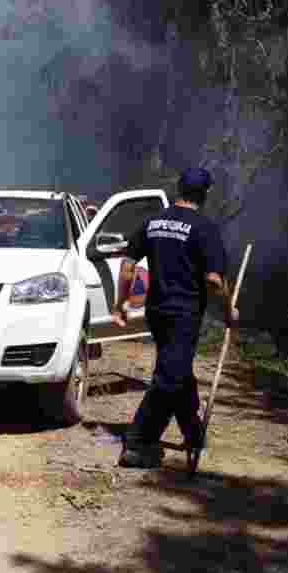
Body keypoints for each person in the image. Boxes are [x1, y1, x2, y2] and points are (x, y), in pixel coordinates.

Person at [111, 167, 238, 469]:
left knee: (176, 369)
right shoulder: (204, 228)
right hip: (184, 314)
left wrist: (121, 304)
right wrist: (229, 309)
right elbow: (214, 280)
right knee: (169, 377)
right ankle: (139, 443)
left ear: (179, 189)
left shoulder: (153, 222)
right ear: (204, 194)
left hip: (157, 312)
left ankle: (193, 432)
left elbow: (128, 266)